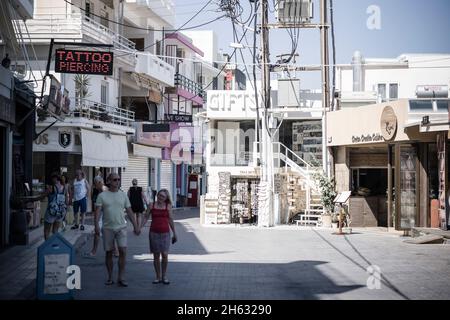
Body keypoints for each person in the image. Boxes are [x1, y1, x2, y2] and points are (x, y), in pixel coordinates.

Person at [94, 173, 140, 287]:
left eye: (119, 179)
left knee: (123, 252)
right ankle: (110, 277)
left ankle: (121, 277)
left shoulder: (123, 195)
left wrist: (135, 225)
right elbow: (97, 212)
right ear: (109, 181)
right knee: (109, 253)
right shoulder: (102, 196)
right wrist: (96, 226)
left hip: (121, 227)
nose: (117, 181)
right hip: (107, 228)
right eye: (115, 179)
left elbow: (129, 211)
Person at [141, 189, 177, 285]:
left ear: (166, 198)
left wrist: (175, 233)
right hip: (154, 233)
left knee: (164, 255)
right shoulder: (151, 205)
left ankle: (164, 276)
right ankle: (157, 276)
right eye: (159, 195)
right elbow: (146, 217)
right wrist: (140, 227)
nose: (161, 197)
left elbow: (170, 220)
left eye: (163, 196)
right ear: (157, 195)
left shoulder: (168, 206)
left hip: (165, 233)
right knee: (156, 255)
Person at [43, 173, 69, 240]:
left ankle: (47, 246)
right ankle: (54, 245)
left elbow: (42, 196)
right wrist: (65, 212)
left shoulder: (52, 188)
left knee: (47, 230)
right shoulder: (64, 188)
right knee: (55, 231)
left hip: (51, 212)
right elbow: (66, 202)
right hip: (60, 212)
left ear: (55, 179)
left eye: (52, 179)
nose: (52, 180)